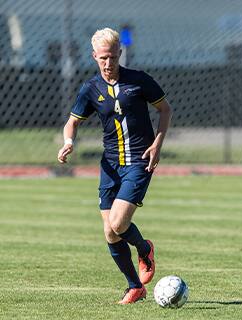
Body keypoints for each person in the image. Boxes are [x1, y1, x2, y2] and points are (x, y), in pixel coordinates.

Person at [57, 27, 171, 304]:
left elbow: (165, 109)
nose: (108, 63)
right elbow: (72, 121)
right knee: (109, 231)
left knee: (118, 223)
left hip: (139, 161)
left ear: (120, 53)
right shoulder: (90, 88)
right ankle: (135, 287)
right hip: (109, 165)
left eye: (113, 56)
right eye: (103, 58)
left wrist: (157, 143)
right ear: (94, 56)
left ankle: (144, 249)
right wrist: (68, 141)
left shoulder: (139, 81)